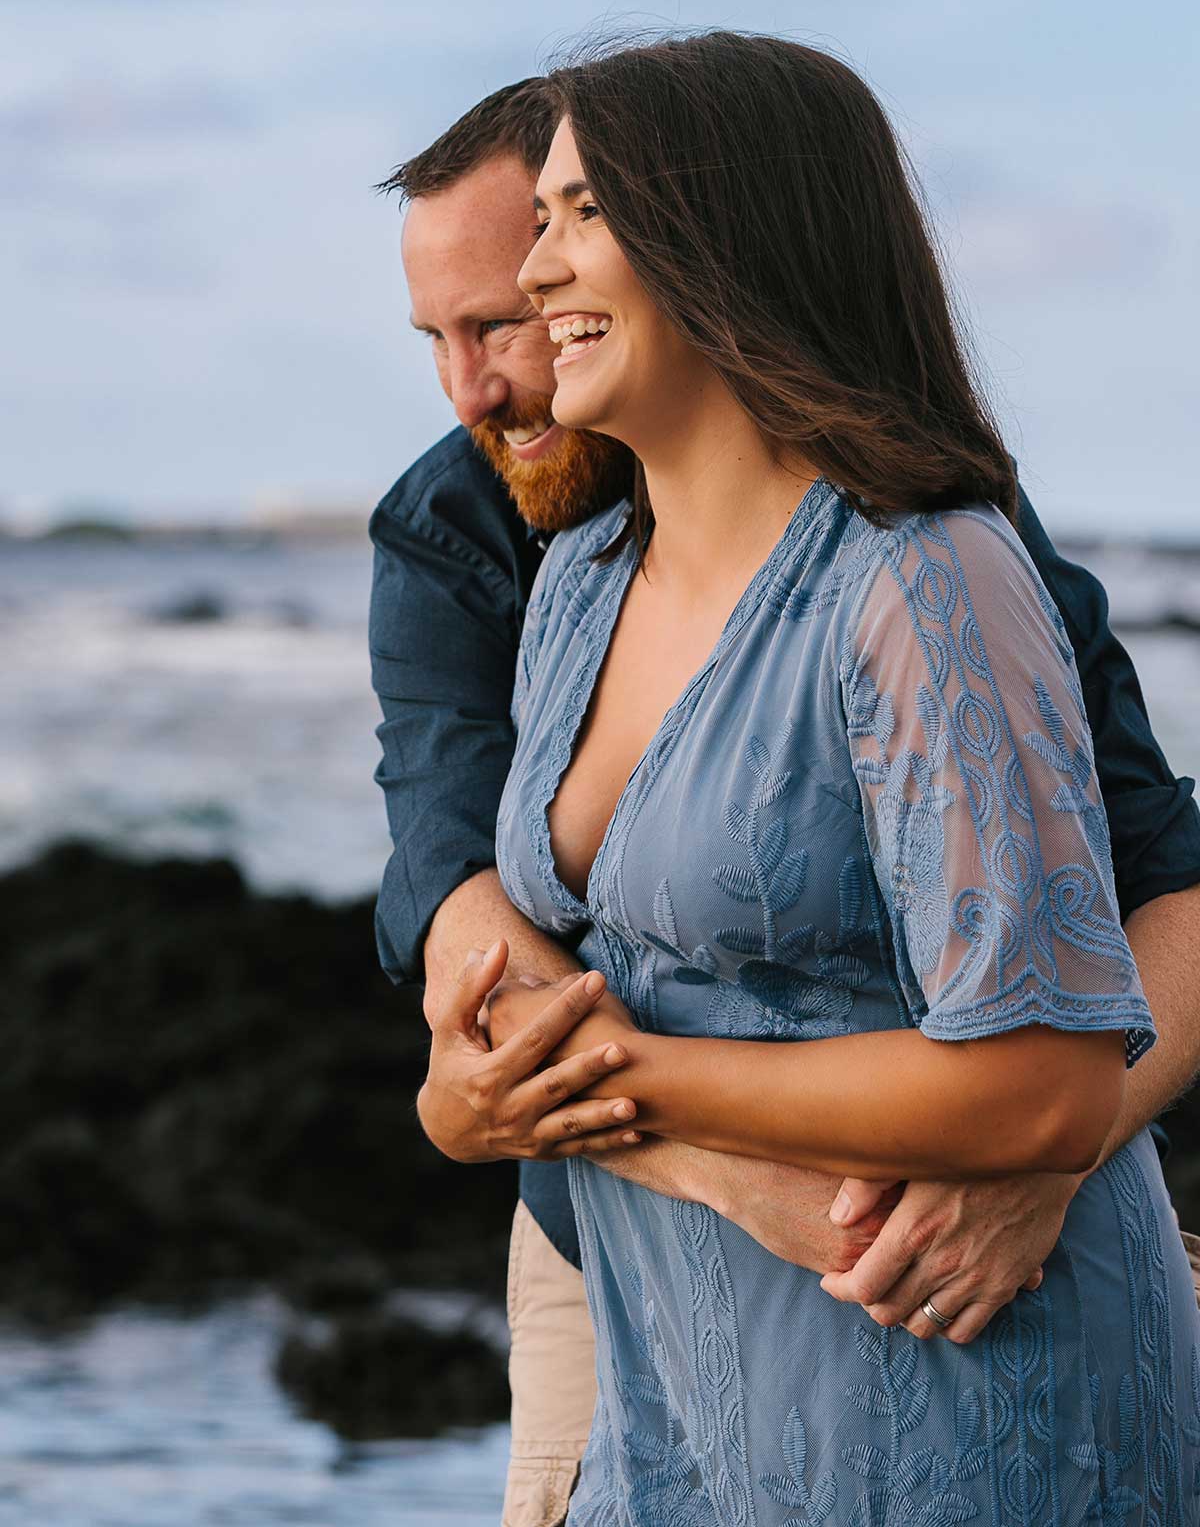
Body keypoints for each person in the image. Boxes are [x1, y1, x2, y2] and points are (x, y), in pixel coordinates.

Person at [368, 77, 1200, 1527]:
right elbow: (464, 908)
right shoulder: (525, 553)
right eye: (440, 335)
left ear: (715, 246)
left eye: (507, 302)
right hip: (638, 1293)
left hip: (935, 1321)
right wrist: (496, 1118)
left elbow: (1133, 914)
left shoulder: (932, 560)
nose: (474, 385)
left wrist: (1036, 1158)